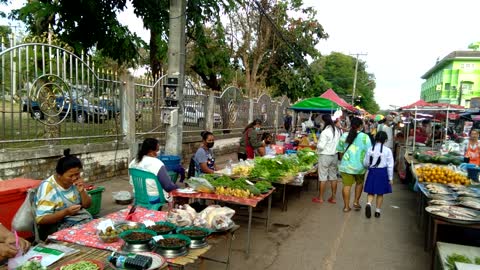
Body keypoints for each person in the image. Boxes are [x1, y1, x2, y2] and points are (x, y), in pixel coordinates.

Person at [35, 149, 93, 240]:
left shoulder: (76, 182)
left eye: (77, 174)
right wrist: (66, 212)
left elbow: (87, 205)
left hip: (80, 221)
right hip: (56, 228)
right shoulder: (49, 188)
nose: (74, 178)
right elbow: (41, 219)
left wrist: (82, 191)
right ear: (59, 175)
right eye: (70, 176)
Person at [337, 117, 372, 212]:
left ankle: (346, 206)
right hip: (360, 167)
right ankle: (356, 202)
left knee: (346, 185)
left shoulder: (344, 135)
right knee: (359, 183)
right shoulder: (365, 137)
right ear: (360, 126)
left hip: (346, 165)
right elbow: (369, 152)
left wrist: (343, 161)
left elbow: (340, 151)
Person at [129, 138, 178, 203]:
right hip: (154, 198)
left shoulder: (133, 162)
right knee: (175, 193)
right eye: (158, 149)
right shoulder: (157, 163)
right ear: (151, 150)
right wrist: (177, 187)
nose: (159, 151)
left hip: (138, 196)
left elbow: (131, 182)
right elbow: (168, 187)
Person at [363, 131, 394, 218]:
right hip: (382, 173)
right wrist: (390, 178)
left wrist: (367, 167)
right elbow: (390, 165)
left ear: (375, 138)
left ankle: (369, 203)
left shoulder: (370, 149)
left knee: (371, 191)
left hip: (372, 172)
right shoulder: (388, 150)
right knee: (380, 193)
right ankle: (377, 211)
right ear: (385, 140)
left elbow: (365, 162)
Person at [312, 114, 341, 204]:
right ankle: (333, 198)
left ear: (324, 121)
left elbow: (321, 146)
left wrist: (315, 145)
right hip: (334, 156)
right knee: (333, 176)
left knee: (323, 177)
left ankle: (320, 198)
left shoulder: (325, 132)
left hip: (325, 156)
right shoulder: (337, 130)